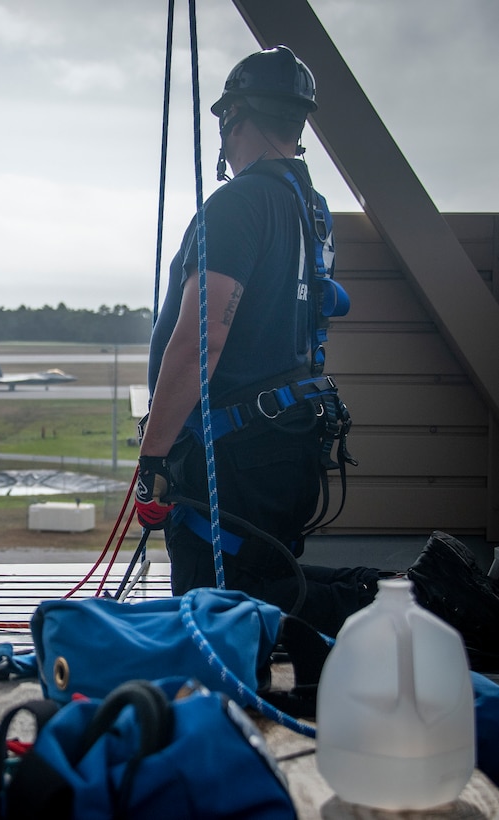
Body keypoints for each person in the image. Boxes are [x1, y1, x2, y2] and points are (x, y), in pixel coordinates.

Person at [133, 46, 499, 667]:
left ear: (234, 118)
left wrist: (156, 453)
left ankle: (430, 607)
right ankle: (420, 597)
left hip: (236, 454)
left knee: (224, 611)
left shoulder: (240, 205)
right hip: (284, 441)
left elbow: (203, 335)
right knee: (269, 584)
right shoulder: (310, 212)